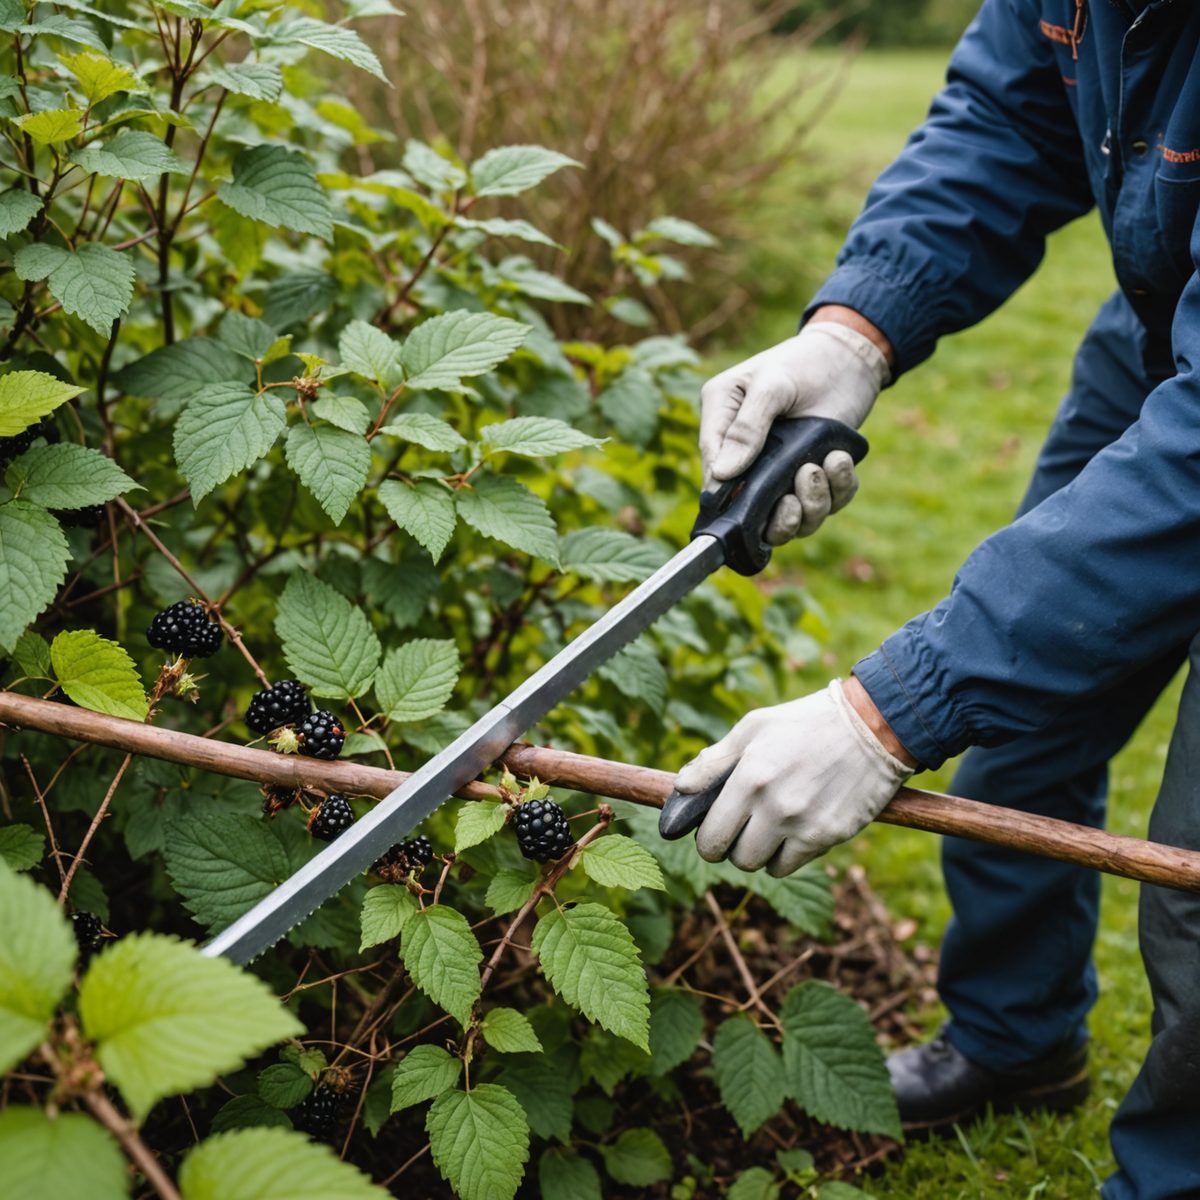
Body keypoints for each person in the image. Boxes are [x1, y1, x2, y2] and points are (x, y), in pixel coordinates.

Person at [672, 3, 1200, 1196]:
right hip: (1171, 326)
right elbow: (1005, 116)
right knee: (1028, 718)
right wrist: (854, 335)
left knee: (1195, 887)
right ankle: (1019, 1044)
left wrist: (886, 711)